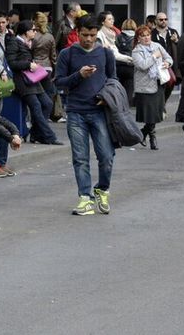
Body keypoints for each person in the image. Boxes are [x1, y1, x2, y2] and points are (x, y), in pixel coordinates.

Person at [54, 15, 118, 216]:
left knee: (106, 157)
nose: (88, 39)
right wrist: (78, 75)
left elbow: (113, 81)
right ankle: (85, 198)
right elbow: (58, 82)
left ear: (97, 33)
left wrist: (107, 98)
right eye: (84, 35)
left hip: (100, 112)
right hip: (75, 112)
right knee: (80, 158)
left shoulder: (106, 54)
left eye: (92, 35)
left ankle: (102, 189)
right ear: (77, 32)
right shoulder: (67, 54)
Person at [6, 20, 59, 145]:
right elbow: (11, 62)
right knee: (36, 107)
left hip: (32, 79)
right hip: (22, 81)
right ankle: (48, 136)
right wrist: (28, 64)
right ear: (26, 32)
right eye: (33, 30)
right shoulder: (14, 42)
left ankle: (36, 133)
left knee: (47, 103)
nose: (35, 32)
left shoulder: (26, 43)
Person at [131, 26, 173, 150]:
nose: (146, 38)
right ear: (138, 38)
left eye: (148, 35)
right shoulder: (136, 51)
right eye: (143, 36)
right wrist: (154, 56)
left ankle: (143, 133)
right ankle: (152, 138)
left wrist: (167, 63)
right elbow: (142, 66)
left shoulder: (157, 46)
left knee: (155, 113)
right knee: (150, 114)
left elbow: (169, 58)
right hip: (145, 86)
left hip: (159, 83)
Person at [98, 13, 134, 104]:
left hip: (114, 65)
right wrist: (130, 59)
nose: (112, 21)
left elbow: (115, 53)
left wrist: (129, 59)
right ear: (103, 22)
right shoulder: (99, 34)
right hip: (104, 67)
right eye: (109, 19)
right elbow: (112, 53)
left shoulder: (113, 34)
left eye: (112, 19)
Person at [31, 11, 60, 124]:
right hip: (47, 68)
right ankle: (43, 120)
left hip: (35, 68)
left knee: (36, 97)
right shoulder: (50, 36)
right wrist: (54, 71)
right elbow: (53, 56)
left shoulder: (33, 36)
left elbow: (30, 52)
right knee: (48, 95)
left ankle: (37, 122)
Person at [152, 12, 180, 102]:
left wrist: (176, 40)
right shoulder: (152, 33)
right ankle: (161, 106)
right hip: (158, 64)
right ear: (156, 21)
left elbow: (179, 46)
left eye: (165, 19)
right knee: (160, 85)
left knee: (171, 83)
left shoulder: (173, 32)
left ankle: (163, 104)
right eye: (161, 20)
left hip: (171, 63)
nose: (163, 21)